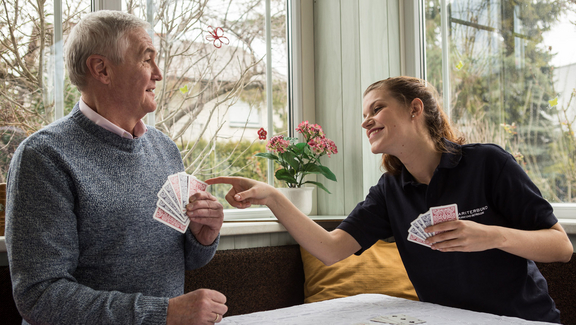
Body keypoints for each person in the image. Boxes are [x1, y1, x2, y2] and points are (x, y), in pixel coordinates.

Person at [207, 76, 574, 323]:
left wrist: (492, 236)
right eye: (364, 116)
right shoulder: (390, 190)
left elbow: (561, 248)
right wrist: (272, 195)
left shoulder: (487, 163)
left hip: (522, 319)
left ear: (415, 109)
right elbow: (331, 249)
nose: (366, 122)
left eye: (376, 109)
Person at [6, 10, 227, 325]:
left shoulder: (165, 149)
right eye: (146, 59)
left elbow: (182, 263)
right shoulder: (44, 156)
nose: (159, 74)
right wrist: (164, 314)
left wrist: (201, 237)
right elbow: (40, 296)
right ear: (101, 69)